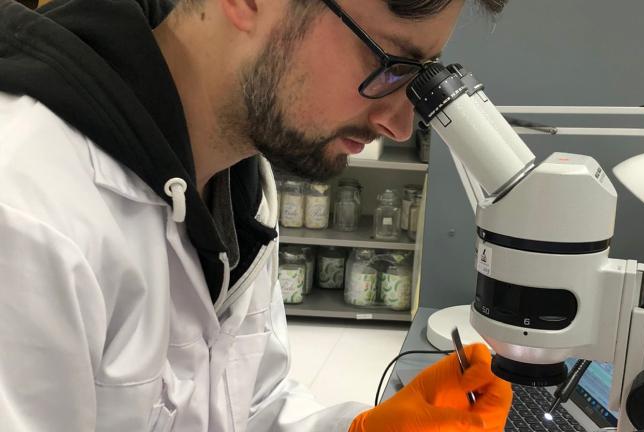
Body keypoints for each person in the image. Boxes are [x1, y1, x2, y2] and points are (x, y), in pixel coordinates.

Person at [0, 0, 513, 430]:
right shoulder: (27, 211)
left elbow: (247, 405)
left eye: (418, 78)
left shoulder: (239, 183)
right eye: (391, 64)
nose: (399, 124)